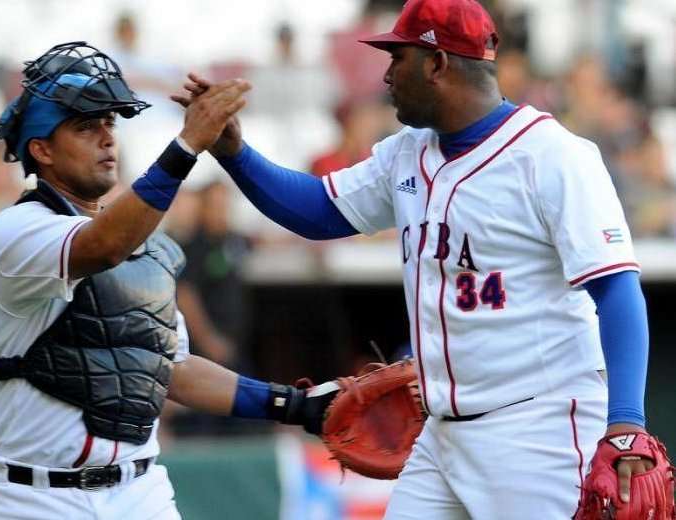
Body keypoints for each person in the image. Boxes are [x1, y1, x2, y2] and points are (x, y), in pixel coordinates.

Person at [174, 0, 661, 517]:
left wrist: (626, 420)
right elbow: (318, 211)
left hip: (538, 430)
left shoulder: (553, 157)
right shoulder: (408, 151)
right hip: (441, 432)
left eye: (397, 58)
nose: (385, 75)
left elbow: (616, 289)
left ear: (437, 64)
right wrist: (234, 154)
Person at [0, 41, 337, 520]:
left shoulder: (145, 245)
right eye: (86, 126)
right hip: (29, 497)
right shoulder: (16, 230)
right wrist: (186, 146)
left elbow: (173, 369)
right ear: (41, 148)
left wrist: (294, 405)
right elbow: (101, 247)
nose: (108, 137)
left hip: (140, 491)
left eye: (110, 123)